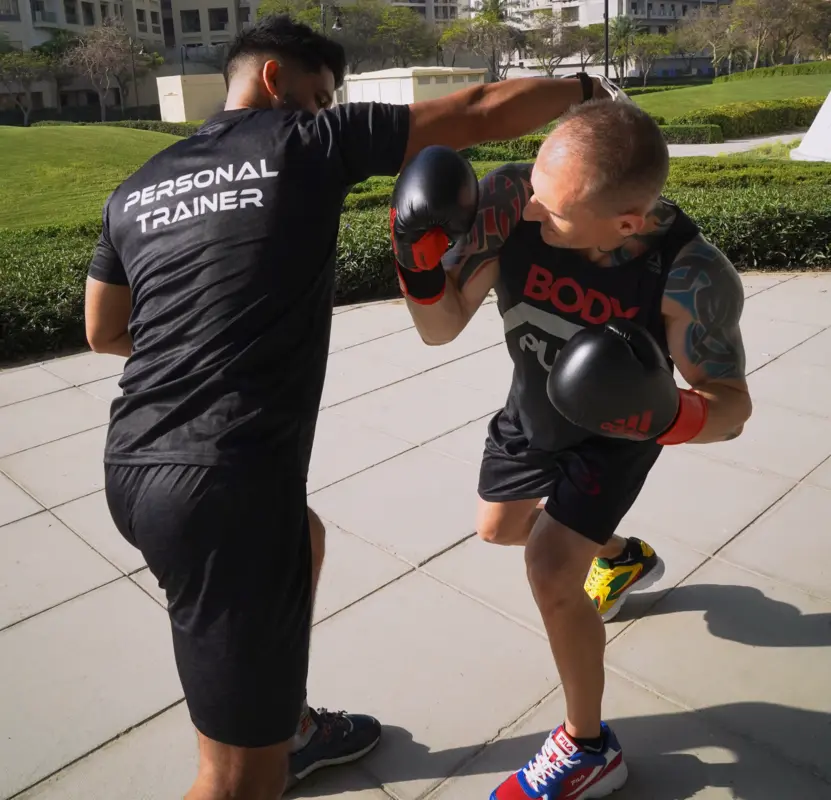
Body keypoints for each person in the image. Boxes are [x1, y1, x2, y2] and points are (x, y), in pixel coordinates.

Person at [82, 13, 631, 800]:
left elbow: (103, 331)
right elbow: (475, 111)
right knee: (236, 777)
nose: (323, 107)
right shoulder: (303, 142)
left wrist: (194, 340)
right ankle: (276, 745)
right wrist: (590, 90)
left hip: (132, 466)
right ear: (276, 81)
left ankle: (295, 725)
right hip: (221, 485)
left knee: (300, 537)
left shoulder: (136, 189)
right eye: (318, 94)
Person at [390, 99, 752, 799]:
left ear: (625, 223)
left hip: (615, 437)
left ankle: (587, 748)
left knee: (550, 568)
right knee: (496, 527)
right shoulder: (508, 200)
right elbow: (440, 329)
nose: (530, 215)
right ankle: (620, 556)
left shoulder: (691, 275)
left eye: (552, 213)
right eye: (535, 193)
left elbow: (731, 411)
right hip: (530, 413)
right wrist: (418, 264)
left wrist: (666, 413)